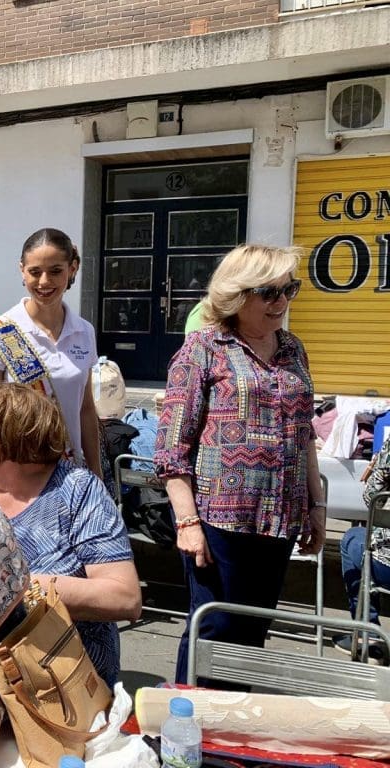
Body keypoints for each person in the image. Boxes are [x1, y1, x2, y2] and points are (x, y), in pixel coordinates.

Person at [153, 244, 325, 685]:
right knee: (214, 628)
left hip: (281, 518)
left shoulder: (293, 349)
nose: (281, 302)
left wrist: (317, 506)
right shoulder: (203, 348)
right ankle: (190, 720)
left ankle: (235, 720)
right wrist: (187, 522)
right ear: (236, 293)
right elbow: (172, 447)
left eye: (289, 289)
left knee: (252, 634)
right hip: (220, 522)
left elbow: (304, 434)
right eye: (268, 292)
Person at [0, 382, 141, 686]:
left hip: (62, 682)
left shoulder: (76, 491)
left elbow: (124, 597)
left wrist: (10, 586)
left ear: (7, 435)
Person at [0, 228, 101, 477]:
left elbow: (85, 408)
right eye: (35, 272)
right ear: (22, 270)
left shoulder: (84, 331)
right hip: (18, 471)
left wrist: (96, 472)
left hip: (69, 471)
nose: (44, 282)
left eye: (55, 271)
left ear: (72, 269)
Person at [337, 438, 390, 657]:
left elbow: (372, 499)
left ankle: (368, 635)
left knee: (353, 538)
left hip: (385, 566)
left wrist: (378, 469)